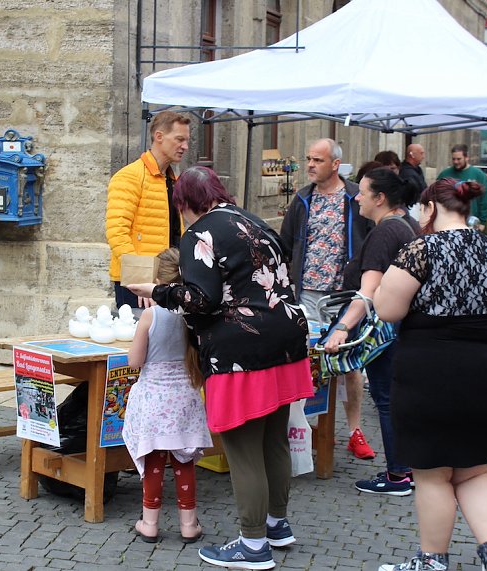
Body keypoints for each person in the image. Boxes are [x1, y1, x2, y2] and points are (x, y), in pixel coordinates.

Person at [128, 166, 314, 570]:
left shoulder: (200, 233)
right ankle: (276, 525)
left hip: (240, 351)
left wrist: (157, 292)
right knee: (274, 441)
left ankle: (252, 545)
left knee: (244, 450)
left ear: (185, 203)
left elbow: (202, 299)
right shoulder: (255, 221)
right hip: (286, 341)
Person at [374, 177, 487, 571]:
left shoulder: (420, 249)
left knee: (433, 474)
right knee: (475, 471)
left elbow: (387, 310)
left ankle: (432, 561)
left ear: (430, 208)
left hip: (430, 373)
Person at [323, 168, 420, 497]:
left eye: (363, 192)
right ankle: (404, 469)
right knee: (395, 400)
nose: (357, 197)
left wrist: (341, 327)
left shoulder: (385, 233)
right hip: (402, 329)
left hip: (384, 333)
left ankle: (397, 476)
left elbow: (368, 291)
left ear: (380, 199)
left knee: (387, 399)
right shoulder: (406, 225)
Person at [280, 138, 376, 461]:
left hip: (345, 295)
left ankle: (353, 431)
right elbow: (285, 244)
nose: (310, 165)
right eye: (308, 159)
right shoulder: (302, 199)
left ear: (335, 164)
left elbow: (370, 237)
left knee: (350, 365)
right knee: (308, 362)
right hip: (306, 293)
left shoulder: (354, 197)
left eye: (317, 160)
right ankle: (309, 428)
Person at [122, 247, 213, 544]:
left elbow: (135, 362)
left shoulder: (150, 315)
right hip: (185, 397)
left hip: (154, 399)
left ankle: (149, 523)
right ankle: (189, 525)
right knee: (184, 462)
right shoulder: (193, 314)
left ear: (156, 279)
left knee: (155, 462)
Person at [106, 111, 190, 308]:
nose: (185, 146)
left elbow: (176, 232)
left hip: (167, 280)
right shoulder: (129, 177)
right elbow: (117, 233)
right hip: (138, 283)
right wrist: (144, 281)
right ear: (159, 137)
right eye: (179, 139)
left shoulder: (172, 179)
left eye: (186, 140)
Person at [437, 144, 487, 229]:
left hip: (471, 222)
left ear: (466, 157)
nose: (455, 162)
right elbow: (436, 196)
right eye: (453, 159)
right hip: (448, 221)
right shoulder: (444, 174)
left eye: (459, 159)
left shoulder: (479, 175)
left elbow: (485, 200)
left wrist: (482, 221)